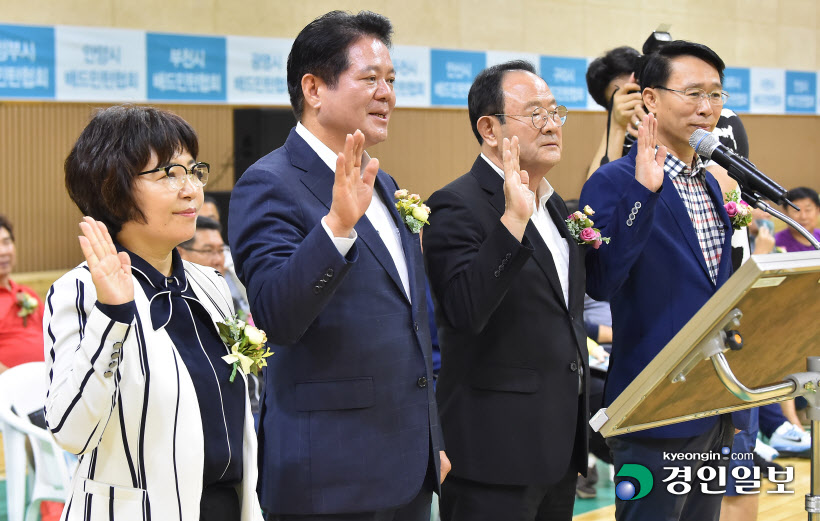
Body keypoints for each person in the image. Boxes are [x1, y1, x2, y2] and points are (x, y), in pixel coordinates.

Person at [228, 11, 447, 520]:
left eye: (391, 80)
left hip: (407, 468)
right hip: (329, 476)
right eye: (369, 78)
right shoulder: (269, 183)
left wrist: (431, 437)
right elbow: (276, 316)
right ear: (314, 88)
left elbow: (413, 324)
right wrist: (335, 230)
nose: (386, 93)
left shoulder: (384, 185)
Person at [44, 105, 262, 521]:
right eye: (168, 174)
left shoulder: (210, 283)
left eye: (193, 170)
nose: (192, 189)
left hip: (227, 507)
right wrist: (113, 314)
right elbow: (71, 432)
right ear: (114, 188)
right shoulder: (80, 291)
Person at [580, 41, 750, 521]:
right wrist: (644, 191)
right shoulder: (614, 182)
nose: (707, 108)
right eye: (693, 92)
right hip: (652, 409)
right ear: (650, 99)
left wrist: (732, 406)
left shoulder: (717, 184)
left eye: (716, 95)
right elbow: (603, 282)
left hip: (713, 403)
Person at [422, 60, 588, 521]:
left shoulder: (554, 205)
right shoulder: (456, 204)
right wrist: (513, 221)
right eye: (535, 114)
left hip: (557, 448)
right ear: (489, 129)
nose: (552, 125)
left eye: (556, 112)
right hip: (493, 455)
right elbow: (463, 310)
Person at [178, 216, 262, 427]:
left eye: (220, 251)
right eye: (208, 251)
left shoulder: (230, 300)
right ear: (181, 254)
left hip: (253, 408)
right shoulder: (178, 308)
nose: (218, 260)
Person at [585, 46, 644, 178]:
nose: (634, 100)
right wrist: (617, 124)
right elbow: (597, 193)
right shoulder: (620, 143)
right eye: (624, 95)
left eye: (636, 89)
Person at [0, 214, 45, 373]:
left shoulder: (27, 293)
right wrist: (13, 380)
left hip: (48, 382)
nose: (3, 251)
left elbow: (52, 334)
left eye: (6, 242)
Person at [774, 186, 820, 252]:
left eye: (808, 210)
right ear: (785, 212)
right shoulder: (775, 243)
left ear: (818, 211)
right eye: (796, 210)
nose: (803, 217)